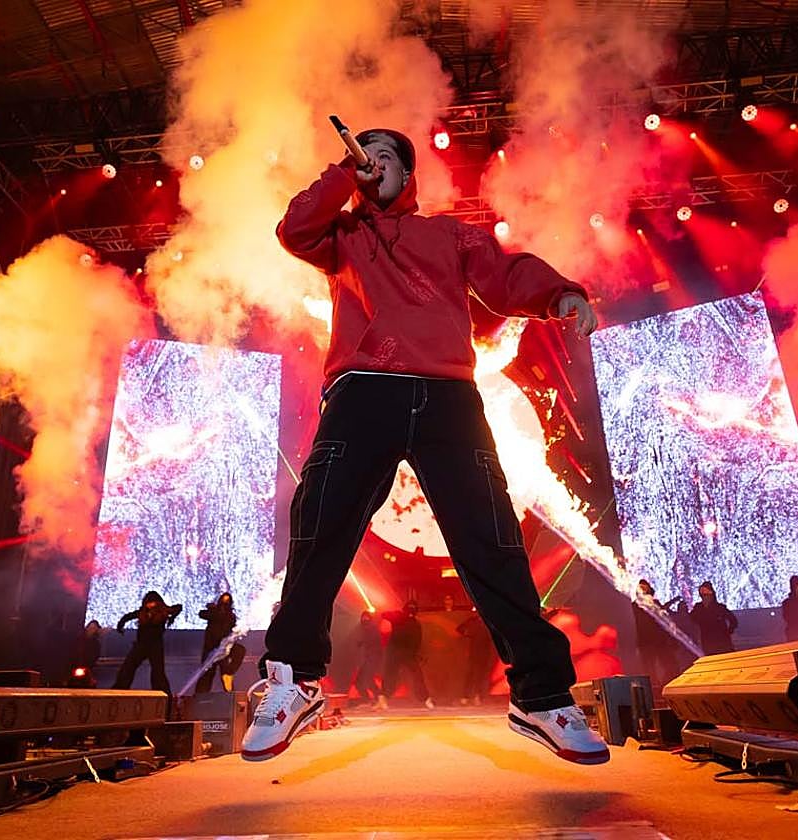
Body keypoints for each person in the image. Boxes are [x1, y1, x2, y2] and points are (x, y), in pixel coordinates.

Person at [242, 126, 605, 764]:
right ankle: (292, 679)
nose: (368, 163)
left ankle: (542, 696)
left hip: (446, 396)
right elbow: (293, 229)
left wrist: (560, 293)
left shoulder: (449, 235)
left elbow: (504, 274)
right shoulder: (342, 238)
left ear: (407, 175)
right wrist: (338, 178)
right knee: (319, 526)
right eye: (362, 154)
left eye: (383, 157)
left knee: (490, 536)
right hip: (362, 390)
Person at [113, 590, 182, 694]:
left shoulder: (162, 612)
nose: (149, 604)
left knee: (158, 672)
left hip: (155, 646)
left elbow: (178, 607)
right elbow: (127, 617)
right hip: (141, 645)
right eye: (148, 602)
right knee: (128, 667)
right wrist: (120, 626)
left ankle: (162, 694)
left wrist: (171, 617)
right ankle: (119, 690)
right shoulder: (142, 613)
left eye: (152, 602)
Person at [375, 600, 433, 711]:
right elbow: (384, 614)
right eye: (409, 609)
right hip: (394, 652)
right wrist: (396, 613)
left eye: (413, 609)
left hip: (407, 653)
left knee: (416, 676)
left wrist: (416, 654)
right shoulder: (399, 617)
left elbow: (417, 641)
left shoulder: (415, 624)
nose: (411, 612)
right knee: (390, 675)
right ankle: (383, 698)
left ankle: (426, 699)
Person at [632, 580, 680, 688]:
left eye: (645, 587)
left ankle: (667, 685)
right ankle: (655, 688)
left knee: (669, 664)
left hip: (658, 640)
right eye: (641, 587)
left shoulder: (655, 603)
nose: (643, 589)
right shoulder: (636, 605)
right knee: (649, 668)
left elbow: (662, 620)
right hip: (645, 641)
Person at [196, 592, 246, 693]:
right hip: (211, 649)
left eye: (227, 603)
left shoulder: (230, 616)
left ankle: (229, 699)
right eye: (223, 602)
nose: (224, 605)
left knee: (226, 674)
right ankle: (200, 699)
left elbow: (231, 627)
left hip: (223, 649)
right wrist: (214, 610)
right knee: (206, 676)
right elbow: (202, 614)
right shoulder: (213, 613)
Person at [456, 611, 494, 706]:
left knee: (480, 676)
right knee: (470, 675)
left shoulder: (488, 621)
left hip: (484, 653)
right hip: (474, 653)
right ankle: (465, 697)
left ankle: (477, 697)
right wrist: (468, 634)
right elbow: (459, 629)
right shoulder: (472, 621)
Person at [688, 581, 737, 655]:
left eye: (707, 594)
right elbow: (692, 618)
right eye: (703, 594)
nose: (705, 597)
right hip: (708, 641)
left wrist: (728, 631)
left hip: (722, 642)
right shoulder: (698, 608)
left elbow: (733, 620)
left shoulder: (719, 608)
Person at [351, 610, 383, 705]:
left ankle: (379, 698)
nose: (364, 619)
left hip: (372, 658)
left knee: (368, 680)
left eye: (366, 618)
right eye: (363, 618)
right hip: (368, 659)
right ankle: (369, 700)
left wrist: (361, 642)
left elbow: (376, 643)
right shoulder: (366, 629)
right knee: (359, 682)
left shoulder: (372, 629)